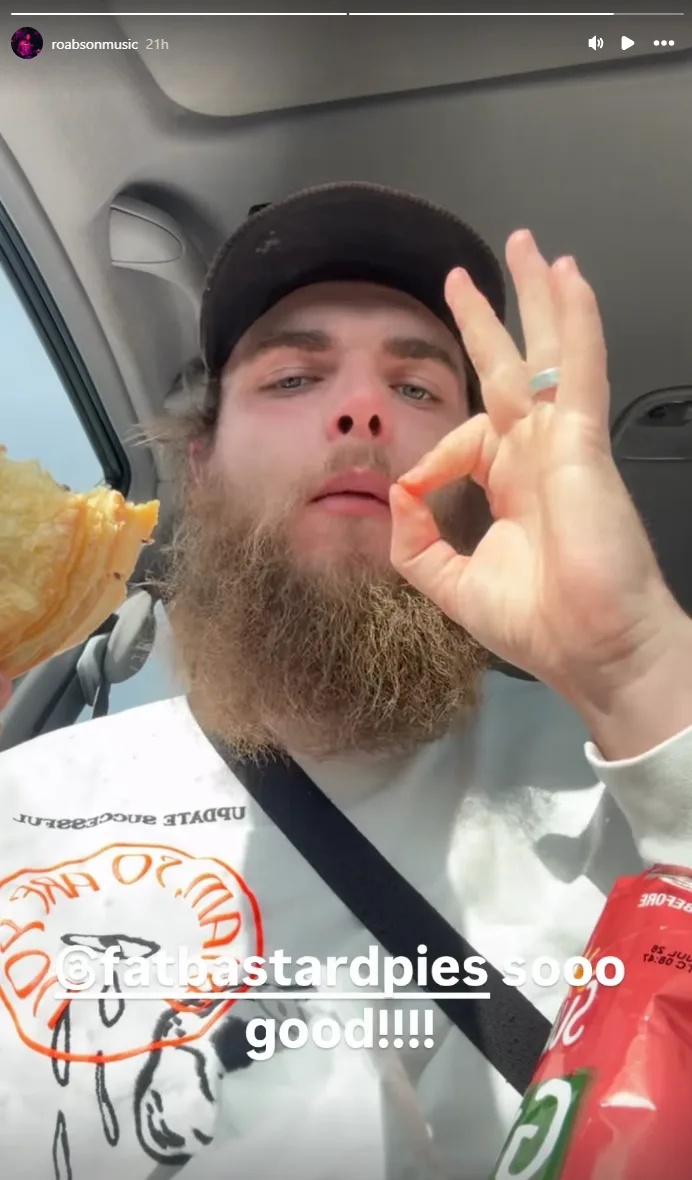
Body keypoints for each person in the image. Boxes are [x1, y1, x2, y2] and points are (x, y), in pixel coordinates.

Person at [1, 181, 691, 1180]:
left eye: (416, 390)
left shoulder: (626, 770)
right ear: (200, 466)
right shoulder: (28, 800)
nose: (361, 409)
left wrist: (637, 670)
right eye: (292, 378)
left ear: (478, 476)